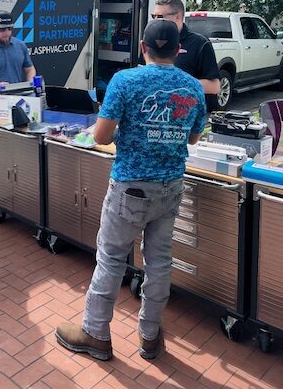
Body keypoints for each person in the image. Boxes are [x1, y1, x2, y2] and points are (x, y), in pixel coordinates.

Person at [55, 18, 207, 362]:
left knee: (110, 259)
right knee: (159, 263)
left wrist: (129, 131)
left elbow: (101, 136)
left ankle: (95, 333)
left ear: (143, 48)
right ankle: (150, 337)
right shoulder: (193, 87)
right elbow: (193, 137)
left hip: (131, 188)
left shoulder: (126, 80)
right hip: (170, 187)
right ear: (178, 51)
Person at [149, 0, 220, 105]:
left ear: (178, 17)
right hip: (155, 109)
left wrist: (175, 84)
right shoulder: (150, 39)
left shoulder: (199, 43)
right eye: (153, 16)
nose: (156, 21)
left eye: (160, 17)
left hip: (185, 112)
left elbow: (214, 86)